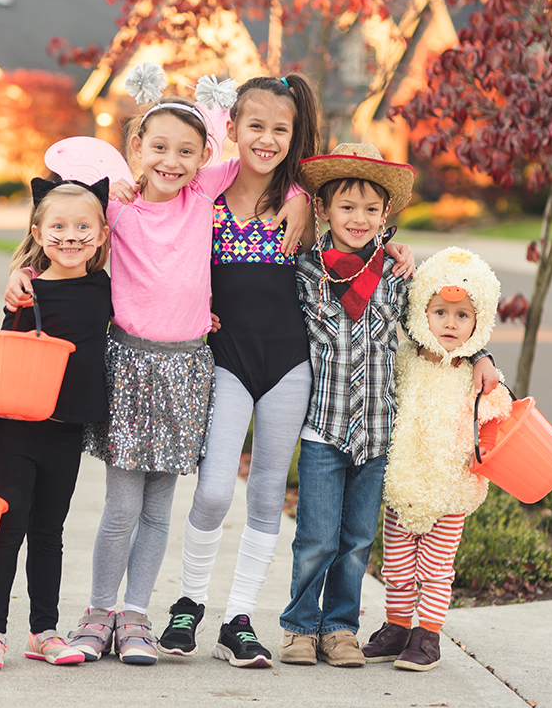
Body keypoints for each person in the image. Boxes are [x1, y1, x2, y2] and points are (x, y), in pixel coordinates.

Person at [3, 76, 309, 666]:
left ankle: (137, 615)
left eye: (187, 151)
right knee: (121, 506)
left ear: (204, 157)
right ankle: (99, 612)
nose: (173, 161)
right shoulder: (115, 206)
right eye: (160, 147)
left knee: (158, 509)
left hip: (188, 370)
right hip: (130, 366)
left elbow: (260, 165)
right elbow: (60, 228)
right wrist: (21, 269)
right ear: (138, 145)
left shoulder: (203, 194)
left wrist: (297, 193)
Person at [155, 76, 415, 669]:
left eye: (281, 129)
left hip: (289, 365)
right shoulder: (204, 191)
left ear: (294, 135)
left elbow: (359, 241)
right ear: (232, 129)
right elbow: (148, 200)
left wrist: (399, 251)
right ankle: (189, 603)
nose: (267, 139)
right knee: (218, 487)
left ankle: (238, 620)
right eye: (256, 126)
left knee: (269, 493)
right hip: (226, 360)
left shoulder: (302, 204)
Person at [278, 143, 499, 668]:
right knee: (314, 537)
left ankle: (340, 630)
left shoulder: (399, 276)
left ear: (386, 215)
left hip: (378, 432)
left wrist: (482, 355)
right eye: (347, 207)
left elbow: (441, 324)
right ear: (324, 209)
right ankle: (299, 628)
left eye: (371, 209)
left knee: (356, 541)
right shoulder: (305, 270)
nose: (359, 218)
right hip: (324, 430)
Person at [0, 179, 113, 671]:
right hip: (16, 428)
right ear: (38, 231)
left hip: (66, 430)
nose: (70, 236)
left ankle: (43, 631)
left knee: (49, 531)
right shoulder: (27, 293)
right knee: (8, 527)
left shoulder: (107, 287)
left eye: (82, 226)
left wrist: (203, 317)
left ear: (103, 232)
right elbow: (0, 363)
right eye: (59, 226)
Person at [362, 247, 512, 672]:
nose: (450, 323)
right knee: (396, 563)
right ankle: (396, 626)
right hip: (404, 486)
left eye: (463, 315)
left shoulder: (476, 374)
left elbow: (496, 425)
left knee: (435, 567)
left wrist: (485, 362)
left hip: (450, 491)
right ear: (422, 310)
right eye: (441, 311)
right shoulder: (403, 359)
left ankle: (427, 636)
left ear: (479, 322)